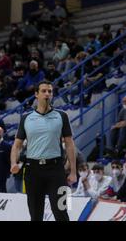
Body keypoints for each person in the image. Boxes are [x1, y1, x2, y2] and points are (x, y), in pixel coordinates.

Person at [10, 81, 76, 221]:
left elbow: (69, 144)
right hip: (32, 170)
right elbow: (16, 145)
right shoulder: (26, 118)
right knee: (35, 215)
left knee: (62, 212)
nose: (47, 94)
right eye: (44, 91)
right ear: (36, 94)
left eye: (50, 91)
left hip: (57, 169)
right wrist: (13, 163)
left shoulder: (62, 115)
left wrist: (73, 171)